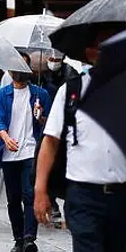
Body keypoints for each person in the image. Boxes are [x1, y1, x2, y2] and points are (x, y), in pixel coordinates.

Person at [36, 28, 126, 252]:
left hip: (121, 194)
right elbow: (51, 141)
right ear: (90, 53)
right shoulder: (71, 91)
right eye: (104, 48)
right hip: (83, 196)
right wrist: (41, 191)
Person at [0, 68, 51, 252]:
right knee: (13, 198)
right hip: (9, 153)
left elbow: (49, 122)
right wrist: (6, 137)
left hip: (31, 151)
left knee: (29, 193)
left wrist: (40, 116)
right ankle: (18, 238)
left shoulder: (40, 94)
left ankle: (29, 237)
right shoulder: (1, 95)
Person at [37, 50, 80, 225]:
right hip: (51, 119)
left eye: (56, 59)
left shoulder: (71, 76)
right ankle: (53, 199)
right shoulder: (43, 76)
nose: (53, 62)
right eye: (51, 59)